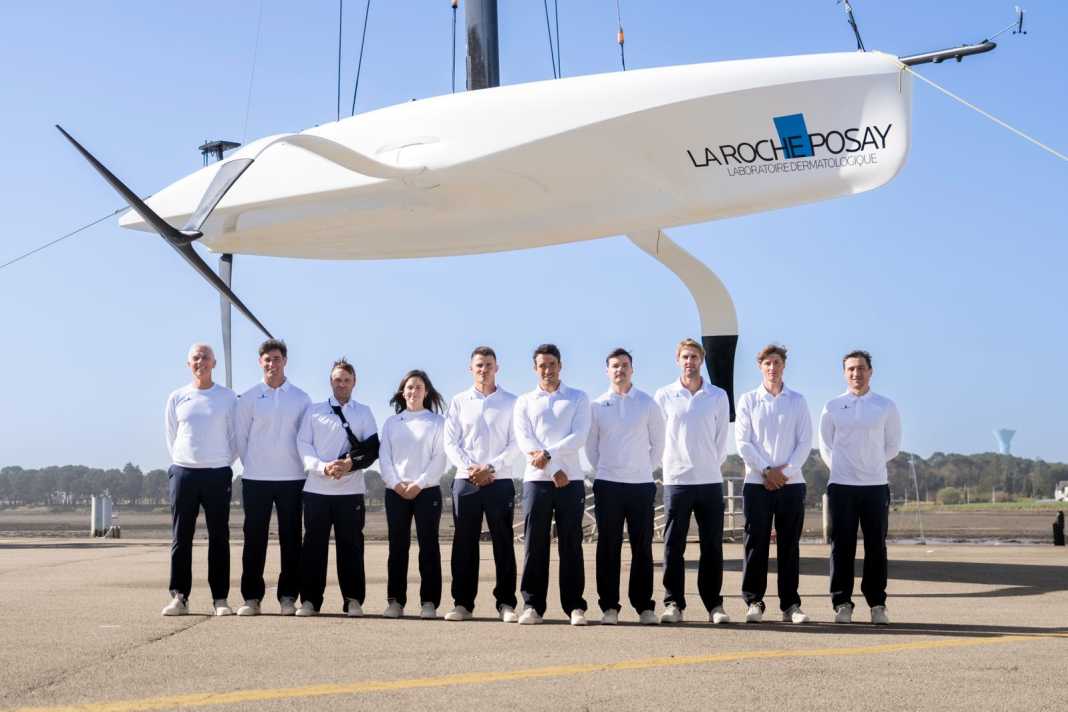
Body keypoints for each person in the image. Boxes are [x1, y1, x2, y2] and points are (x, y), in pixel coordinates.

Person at [819, 349, 901, 625]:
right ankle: (842, 603)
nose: (856, 373)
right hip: (841, 486)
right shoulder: (832, 406)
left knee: (876, 546)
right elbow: (825, 445)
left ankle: (877, 604)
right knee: (841, 547)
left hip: (875, 485)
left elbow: (893, 445)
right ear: (844, 373)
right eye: (851, 369)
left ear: (870, 372)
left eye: (861, 368)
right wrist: (842, 468)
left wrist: (869, 463)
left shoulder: (885, 406)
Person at [512, 343, 591, 626]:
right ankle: (533, 605)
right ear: (535, 369)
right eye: (542, 365)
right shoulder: (524, 401)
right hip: (537, 481)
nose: (547, 370)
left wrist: (548, 455)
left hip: (571, 481)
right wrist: (553, 468)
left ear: (560, 366)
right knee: (535, 544)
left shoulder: (578, 398)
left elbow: (579, 436)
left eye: (552, 364)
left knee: (571, 544)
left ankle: (575, 606)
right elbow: (525, 441)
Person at [655, 338, 731, 624]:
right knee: (674, 545)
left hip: (709, 480)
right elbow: (657, 437)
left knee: (712, 546)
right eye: (685, 357)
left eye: (694, 357)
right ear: (678, 360)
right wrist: (671, 467)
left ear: (702, 360)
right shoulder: (664, 395)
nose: (690, 362)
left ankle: (714, 605)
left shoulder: (717, 396)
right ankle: (674, 603)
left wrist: (708, 464)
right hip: (677, 481)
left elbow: (721, 440)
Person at [734, 344, 813, 624]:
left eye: (776, 362)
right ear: (760, 367)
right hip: (757, 483)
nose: (772, 367)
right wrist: (767, 471)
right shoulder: (748, 400)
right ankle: (754, 601)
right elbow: (743, 442)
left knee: (789, 546)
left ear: (783, 365)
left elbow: (805, 442)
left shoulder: (798, 401)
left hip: (792, 484)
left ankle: (790, 604)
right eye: (767, 363)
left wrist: (784, 473)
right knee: (756, 543)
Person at [294, 358, 379, 617]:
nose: (342, 384)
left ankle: (353, 600)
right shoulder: (314, 411)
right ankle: (310, 601)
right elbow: (303, 444)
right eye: (337, 380)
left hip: (350, 492)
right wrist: (323, 467)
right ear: (330, 382)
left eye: (346, 380)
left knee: (351, 547)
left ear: (354, 382)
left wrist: (349, 464)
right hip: (317, 490)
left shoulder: (364, 412)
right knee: (313, 548)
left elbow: (372, 449)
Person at [586, 348, 664, 626]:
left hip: (640, 484)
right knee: (608, 546)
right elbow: (591, 447)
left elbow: (658, 444)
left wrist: (641, 469)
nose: (620, 370)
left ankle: (644, 607)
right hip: (607, 484)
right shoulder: (597, 405)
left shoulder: (647, 403)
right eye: (615, 366)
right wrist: (608, 469)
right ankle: (609, 607)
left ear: (632, 369)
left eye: (624, 365)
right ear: (607, 371)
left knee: (642, 546)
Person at [234, 339, 311, 617]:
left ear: (285, 361)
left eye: (276, 359)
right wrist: (255, 464)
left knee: (291, 540)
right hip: (256, 478)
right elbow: (241, 438)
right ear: (260, 362)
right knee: (254, 539)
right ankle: (252, 597)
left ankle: (288, 597)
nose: (272, 364)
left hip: (293, 478)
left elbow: (305, 437)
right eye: (267, 359)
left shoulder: (301, 398)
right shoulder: (248, 397)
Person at [443, 347, 520, 623]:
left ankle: (506, 603)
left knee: (503, 542)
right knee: (464, 543)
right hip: (466, 481)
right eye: (479, 365)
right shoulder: (459, 401)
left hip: (500, 480)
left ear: (497, 368)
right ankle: (463, 603)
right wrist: (471, 468)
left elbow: (516, 442)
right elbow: (450, 442)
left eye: (488, 364)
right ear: (471, 369)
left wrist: (491, 468)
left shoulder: (512, 402)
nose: (483, 369)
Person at [162, 343, 238, 617]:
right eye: (195, 358)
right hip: (184, 472)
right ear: (188, 364)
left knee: (219, 537)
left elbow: (236, 436)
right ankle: (180, 596)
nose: (200, 362)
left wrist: (222, 461)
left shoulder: (228, 397)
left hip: (217, 472)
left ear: (214, 363)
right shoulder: (177, 397)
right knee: (181, 537)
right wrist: (183, 461)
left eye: (206, 357)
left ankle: (220, 598)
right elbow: (172, 434)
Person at [380, 369, 448, 620]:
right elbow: (384, 457)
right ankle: (395, 601)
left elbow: (439, 458)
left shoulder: (438, 422)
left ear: (426, 392)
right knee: (397, 547)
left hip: (426, 491)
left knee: (428, 546)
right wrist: (396, 484)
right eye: (409, 387)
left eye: (418, 387)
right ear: (403, 392)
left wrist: (419, 484)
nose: (413, 391)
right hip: (395, 492)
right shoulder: (391, 423)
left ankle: (429, 602)